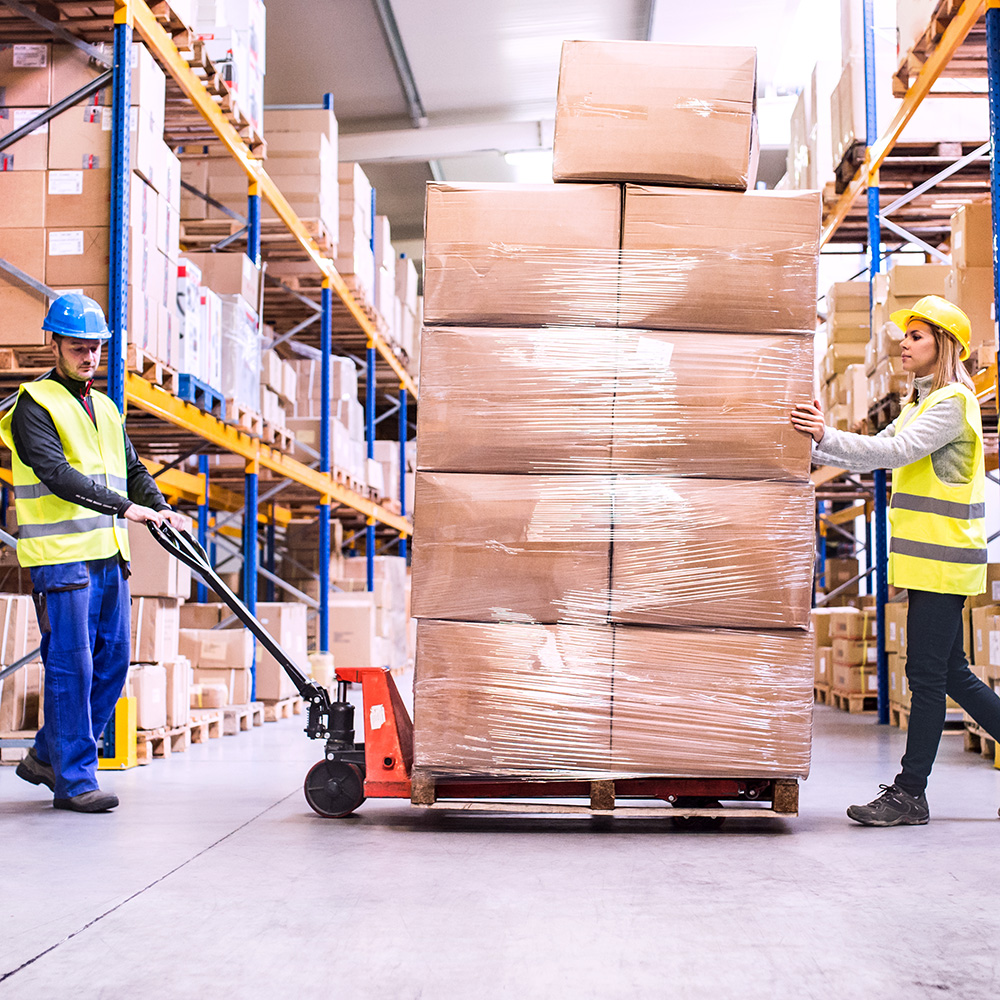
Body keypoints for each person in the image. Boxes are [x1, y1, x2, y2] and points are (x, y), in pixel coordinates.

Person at [791, 294, 1000, 827]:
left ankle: (911, 793)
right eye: (905, 336)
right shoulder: (918, 403)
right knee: (951, 673)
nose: (903, 345)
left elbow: (893, 454)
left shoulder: (953, 402)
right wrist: (815, 445)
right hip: (927, 561)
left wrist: (823, 436)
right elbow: (875, 443)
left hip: (943, 560)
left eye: (916, 337)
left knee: (926, 676)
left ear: (943, 346)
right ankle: (911, 793)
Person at [0, 294, 186, 813]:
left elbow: (132, 469)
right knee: (71, 666)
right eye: (79, 347)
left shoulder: (104, 406)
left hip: (108, 554)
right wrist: (128, 509)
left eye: (96, 349)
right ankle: (75, 781)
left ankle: (44, 756)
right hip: (60, 558)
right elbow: (56, 474)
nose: (89, 358)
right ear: (53, 344)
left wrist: (158, 506)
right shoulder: (32, 405)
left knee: (113, 662)